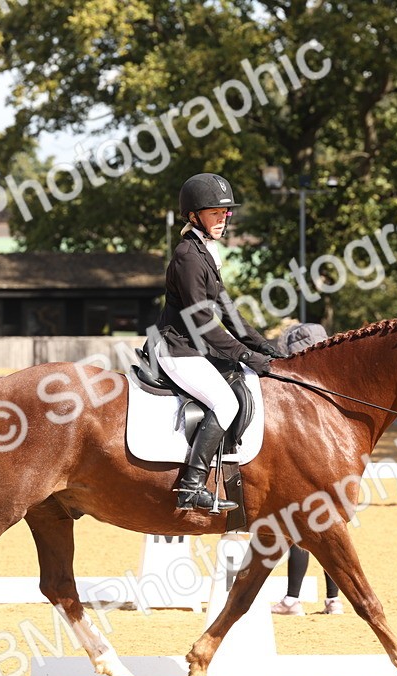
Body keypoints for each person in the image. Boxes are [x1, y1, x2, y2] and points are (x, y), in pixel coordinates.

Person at [155, 173, 281, 512]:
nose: (223, 220)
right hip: (178, 349)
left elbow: (227, 310)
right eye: (215, 213)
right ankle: (192, 486)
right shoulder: (188, 256)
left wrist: (263, 345)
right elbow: (201, 321)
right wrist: (246, 355)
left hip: (196, 348)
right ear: (194, 215)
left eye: (225, 214)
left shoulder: (206, 252)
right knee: (227, 403)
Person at [270, 322, 344, 616]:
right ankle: (333, 600)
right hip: (337, 462)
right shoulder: (334, 378)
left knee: (298, 527)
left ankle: (292, 599)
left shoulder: (295, 383)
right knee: (331, 528)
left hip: (307, 460)